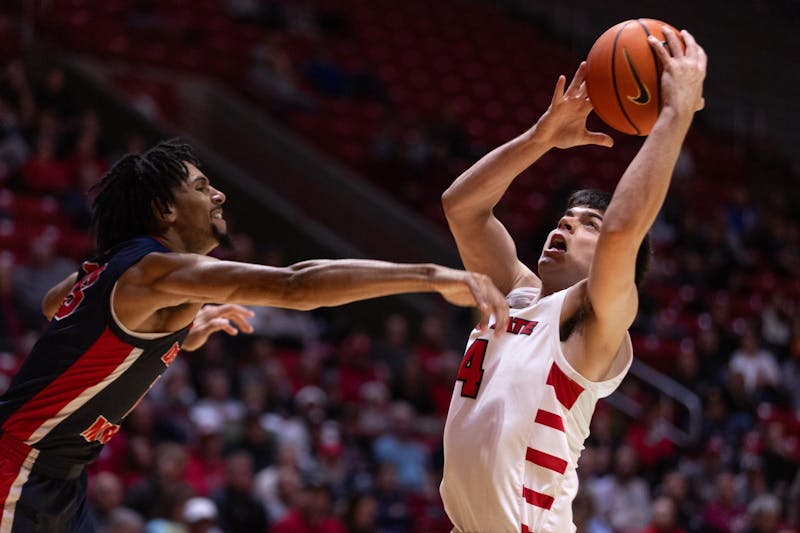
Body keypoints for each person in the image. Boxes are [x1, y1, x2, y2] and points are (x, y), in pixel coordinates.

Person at [0, 139, 509, 532]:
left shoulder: (119, 269)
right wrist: (429, 275)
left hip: (60, 478)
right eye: (200, 187)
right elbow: (297, 284)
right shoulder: (151, 271)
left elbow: (54, 305)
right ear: (164, 211)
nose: (218, 193)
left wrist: (174, 332)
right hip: (19, 466)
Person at [439, 27, 706, 532]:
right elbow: (462, 208)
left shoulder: (594, 324)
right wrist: (540, 138)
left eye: (589, 225)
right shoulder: (514, 293)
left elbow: (625, 230)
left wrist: (674, 114)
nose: (567, 224)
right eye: (567, 217)